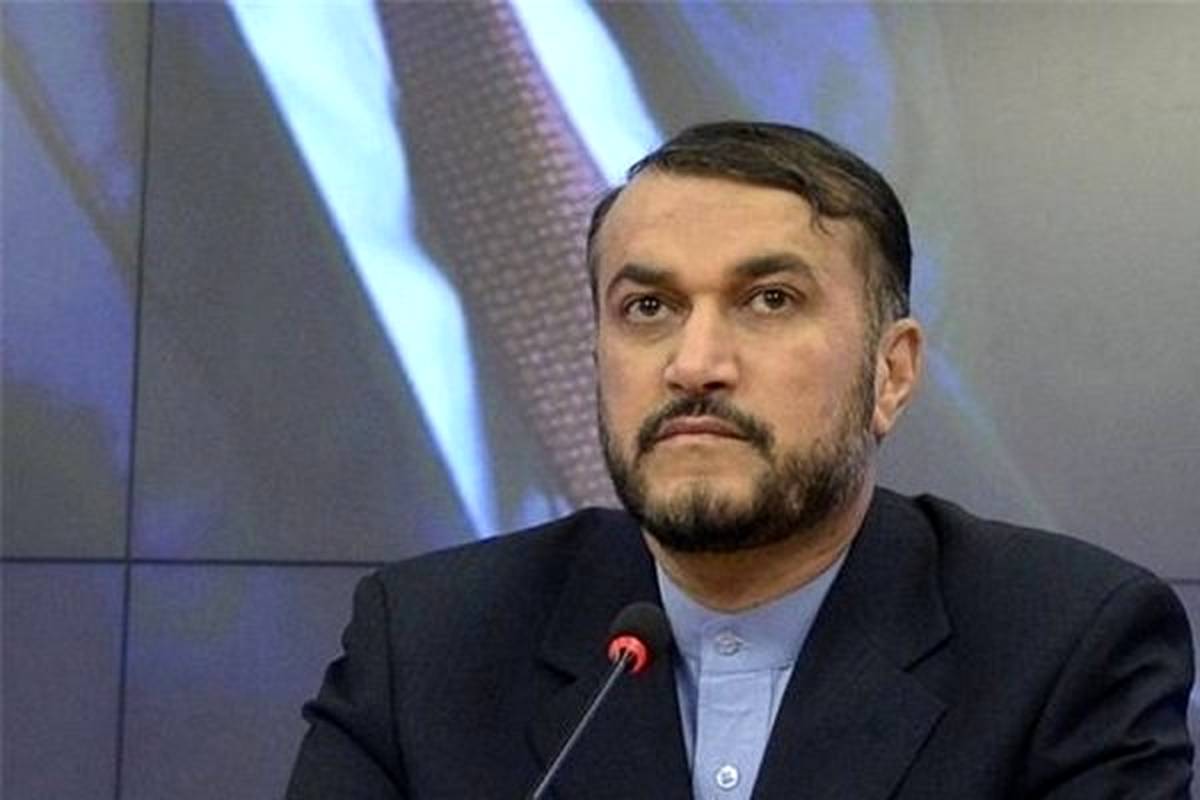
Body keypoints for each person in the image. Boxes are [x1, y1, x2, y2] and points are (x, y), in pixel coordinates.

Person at [287, 122, 1195, 798]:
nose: (695, 364)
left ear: (891, 373)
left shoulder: (1066, 645)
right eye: (648, 308)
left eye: (769, 300)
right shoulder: (427, 647)